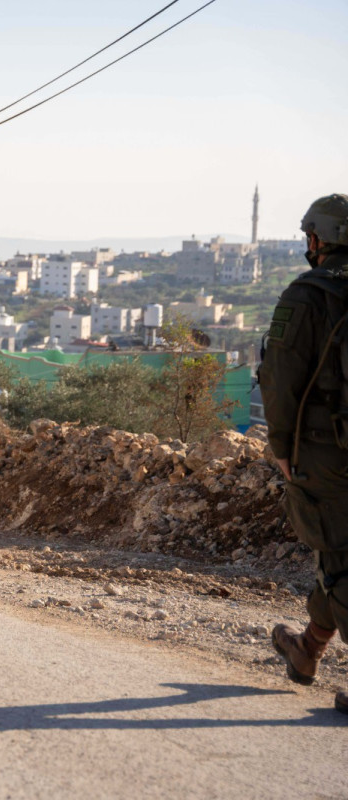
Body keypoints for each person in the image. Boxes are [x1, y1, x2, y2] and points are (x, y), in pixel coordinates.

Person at [259, 193, 348, 716]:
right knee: (336, 557)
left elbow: (279, 380)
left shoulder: (308, 295)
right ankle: (308, 651)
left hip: (327, 454)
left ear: (318, 240)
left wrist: (281, 449)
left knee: (339, 557)